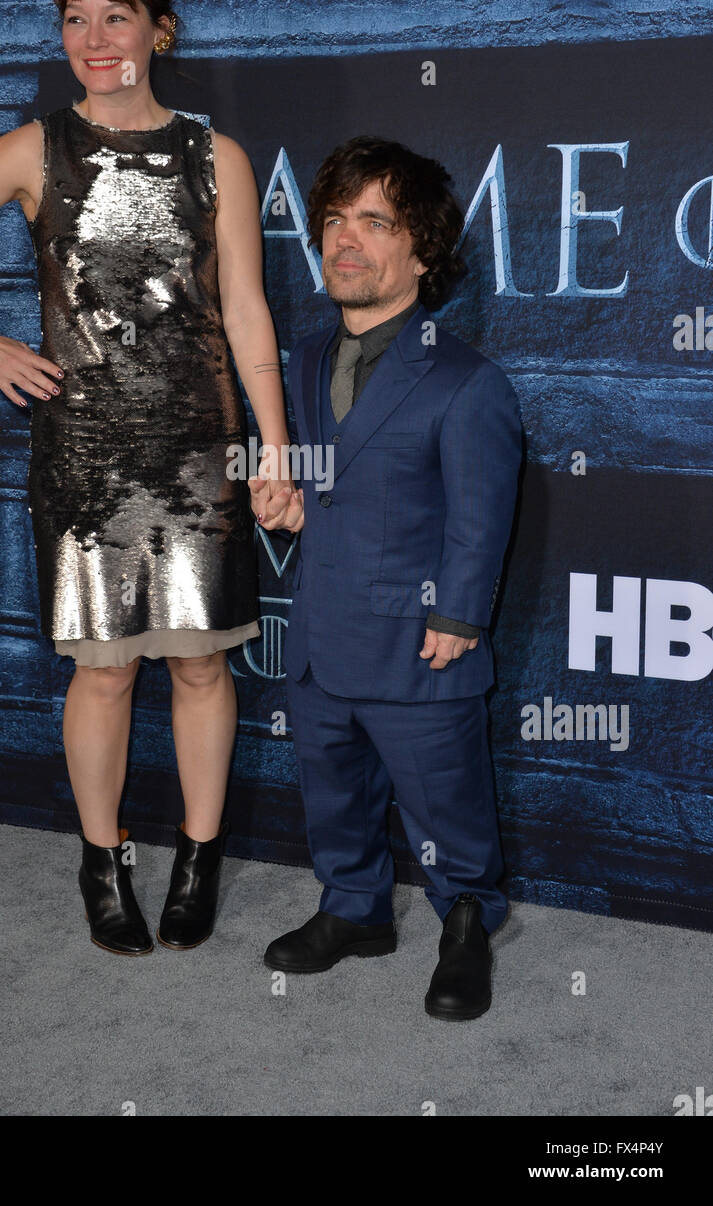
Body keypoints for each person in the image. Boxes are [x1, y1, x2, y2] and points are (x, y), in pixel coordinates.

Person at [0, 0, 296, 958]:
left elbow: (247, 315)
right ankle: (102, 854)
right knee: (106, 673)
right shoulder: (35, 151)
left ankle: (200, 855)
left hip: (199, 451)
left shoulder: (219, 160)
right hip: (85, 460)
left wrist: (274, 450)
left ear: (159, 27)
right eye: (75, 17)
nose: (93, 37)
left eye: (114, 15)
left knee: (203, 669)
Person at [252, 137, 522, 1020]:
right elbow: (334, 484)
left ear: (421, 253)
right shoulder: (299, 360)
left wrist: (460, 618)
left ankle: (466, 926)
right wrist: (290, 506)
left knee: (445, 810)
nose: (345, 239)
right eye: (334, 219)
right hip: (323, 631)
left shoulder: (464, 380)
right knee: (331, 794)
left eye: (374, 221)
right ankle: (354, 911)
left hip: (419, 643)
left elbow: (479, 516)